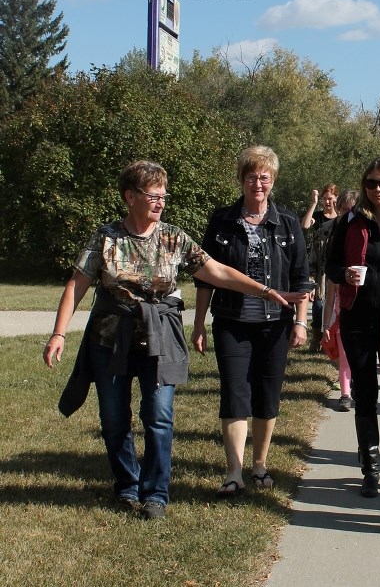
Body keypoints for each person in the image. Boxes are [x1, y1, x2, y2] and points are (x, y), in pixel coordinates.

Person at [43, 160, 305, 520]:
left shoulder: (173, 237)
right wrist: (59, 333)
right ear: (130, 196)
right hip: (111, 340)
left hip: (160, 340)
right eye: (154, 195)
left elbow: (216, 271)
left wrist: (263, 290)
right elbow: (77, 284)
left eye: (164, 195)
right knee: (115, 419)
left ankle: (156, 494)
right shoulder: (105, 238)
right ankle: (127, 486)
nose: (161, 201)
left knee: (159, 416)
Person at [192, 145, 311, 497]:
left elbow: (301, 278)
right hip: (231, 320)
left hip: (276, 323)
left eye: (264, 177)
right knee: (234, 391)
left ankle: (259, 464)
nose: (257, 184)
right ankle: (234, 470)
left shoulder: (288, 222)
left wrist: (301, 323)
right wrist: (198, 324)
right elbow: (205, 276)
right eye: (251, 176)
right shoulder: (222, 220)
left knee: (267, 392)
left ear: (272, 181)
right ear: (241, 180)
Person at [325, 158, 380, 497]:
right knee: (364, 393)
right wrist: (343, 273)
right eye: (372, 183)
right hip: (356, 317)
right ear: (364, 185)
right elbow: (330, 264)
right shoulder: (350, 221)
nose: (378, 190)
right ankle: (368, 467)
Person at [321, 189, 358, 412]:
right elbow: (330, 293)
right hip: (341, 315)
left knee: (358, 357)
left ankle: (356, 386)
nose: (347, 216)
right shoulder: (336, 248)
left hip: (363, 314)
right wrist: (326, 323)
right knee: (344, 356)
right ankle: (345, 393)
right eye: (344, 211)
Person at [302, 183, 339, 352]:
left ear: (336, 199)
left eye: (330, 198)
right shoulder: (318, 216)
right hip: (318, 267)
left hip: (334, 264)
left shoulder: (340, 218)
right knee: (318, 304)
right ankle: (316, 338)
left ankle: (331, 338)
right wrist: (313, 203)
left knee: (334, 304)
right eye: (324, 199)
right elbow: (305, 225)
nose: (327, 202)